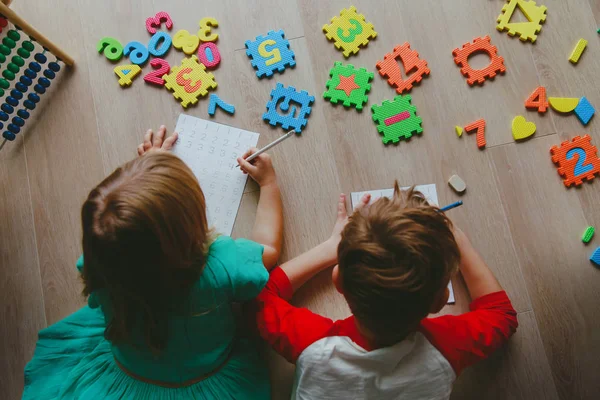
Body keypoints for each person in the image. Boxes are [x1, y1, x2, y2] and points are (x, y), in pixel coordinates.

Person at [23, 126, 282, 399]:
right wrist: (269, 184)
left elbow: (128, 232)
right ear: (191, 227)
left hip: (125, 378)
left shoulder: (100, 265)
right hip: (207, 381)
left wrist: (151, 167)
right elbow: (270, 248)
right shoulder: (222, 266)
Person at [254, 184, 519, 399]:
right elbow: (501, 316)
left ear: (338, 280)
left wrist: (329, 249)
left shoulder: (313, 345)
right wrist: (458, 241)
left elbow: (261, 295)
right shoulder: (446, 348)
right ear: (439, 301)